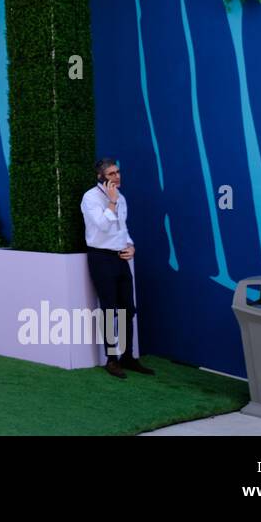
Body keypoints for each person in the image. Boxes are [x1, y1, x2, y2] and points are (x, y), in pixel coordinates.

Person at [80, 157, 154, 379]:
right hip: (100, 257)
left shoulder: (121, 197)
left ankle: (128, 357)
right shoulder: (90, 198)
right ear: (100, 177)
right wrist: (111, 202)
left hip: (121, 257)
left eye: (118, 172)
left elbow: (122, 228)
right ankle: (111, 359)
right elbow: (101, 227)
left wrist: (131, 246)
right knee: (109, 309)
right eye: (111, 174)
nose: (117, 176)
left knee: (127, 309)